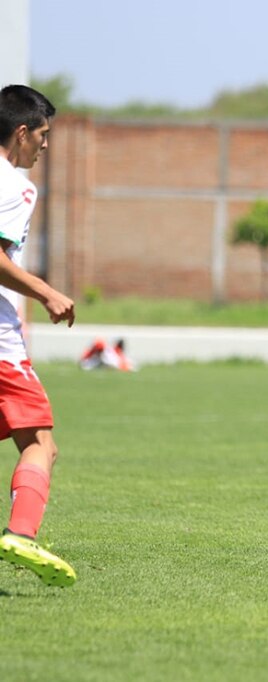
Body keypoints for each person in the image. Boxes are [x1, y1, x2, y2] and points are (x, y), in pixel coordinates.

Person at [0, 85, 77, 587]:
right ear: (22, 132)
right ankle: (21, 534)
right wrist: (47, 292)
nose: (45, 146)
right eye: (43, 135)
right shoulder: (15, 187)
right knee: (41, 443)